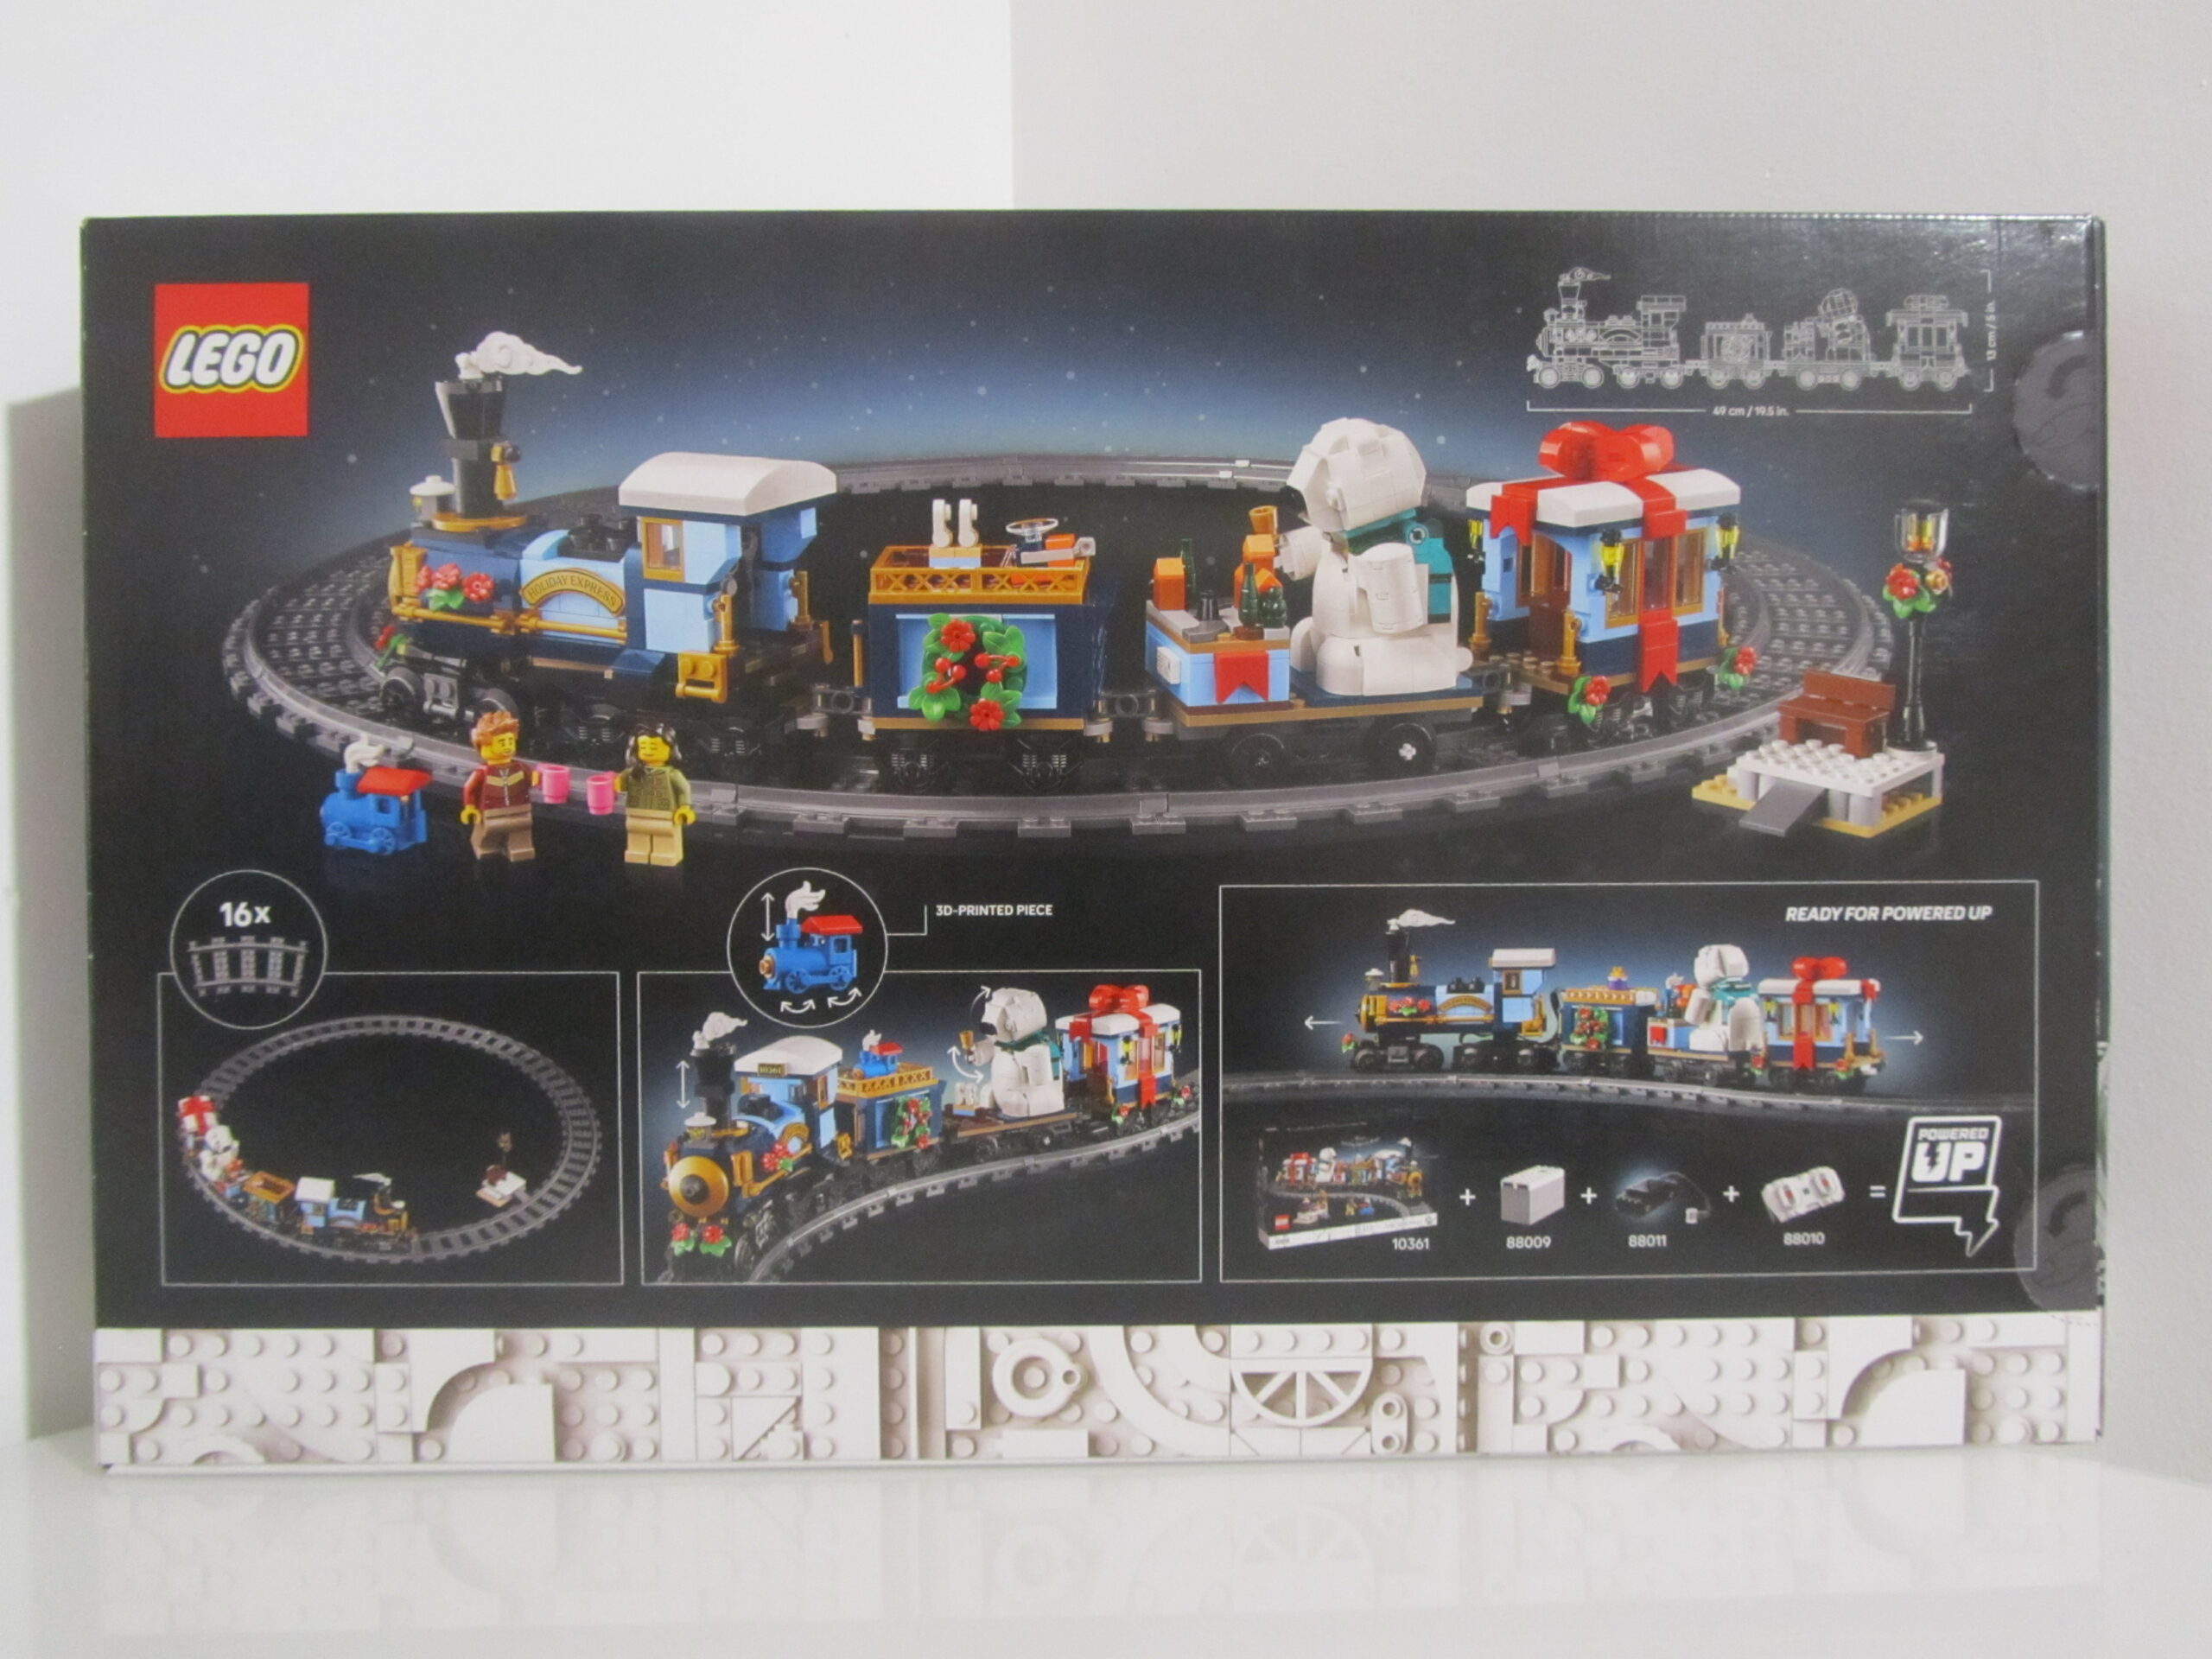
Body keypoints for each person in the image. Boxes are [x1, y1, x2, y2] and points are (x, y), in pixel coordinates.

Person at [616, 721, 696, 866]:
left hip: (665, 814)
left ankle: (665, 855)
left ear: (670, 749)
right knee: (637, 835)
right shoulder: (633, 772)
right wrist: (613, 783)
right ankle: (637, 854)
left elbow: (684, 789)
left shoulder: (672, 774)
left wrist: (684, 808)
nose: (648, 751)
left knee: (665, 838)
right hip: (636, 812)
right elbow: (621, 786)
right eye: (643, 747)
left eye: (653, 747)